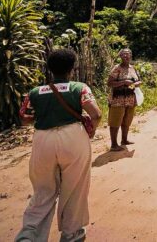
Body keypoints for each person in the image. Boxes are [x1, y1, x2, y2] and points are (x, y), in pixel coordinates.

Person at [16, 49, 102, 242]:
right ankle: (71, 233)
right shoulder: (79, 88)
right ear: (72, 69)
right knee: (75, 186)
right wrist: (91, 130)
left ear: (50, 69)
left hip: (43, 139)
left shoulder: (35, 92)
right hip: (73, 138)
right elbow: (96, 114)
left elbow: (24, 118)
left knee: (43, 189)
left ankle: (29, 235)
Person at [107, 48, 142, 151]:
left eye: (128, 54)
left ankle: (124, 140)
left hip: (130, 99)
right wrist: (124, 82)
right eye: (124, 54)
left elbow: (140, 81)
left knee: (127, 121)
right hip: (117, 100)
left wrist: (134, 84)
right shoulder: (116, 68)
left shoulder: (133, 68)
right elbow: (109, 83)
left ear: (131, 56)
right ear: (120, 57)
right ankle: (114, 145)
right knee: (115, 122)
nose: (126, 56)